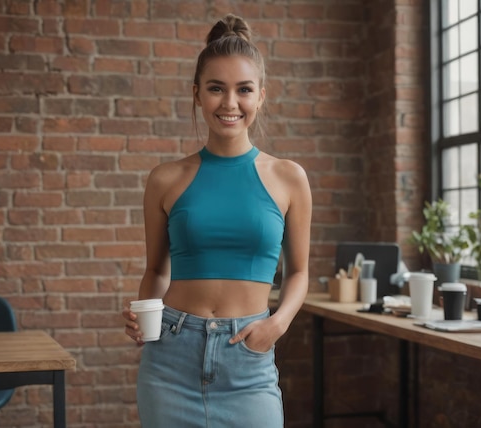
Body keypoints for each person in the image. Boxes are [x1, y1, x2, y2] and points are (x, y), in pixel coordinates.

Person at [122, 13, 312, 428]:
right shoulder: (165, 179)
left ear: (261, 95)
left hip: (248, 358)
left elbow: (298, 272)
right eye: (215, 89)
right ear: (197, 95)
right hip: (170, 357)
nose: (229, 103)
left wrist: (276, 325)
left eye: (243, 90)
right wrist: (144, 316)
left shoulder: (289, 178)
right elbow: (156, 269)